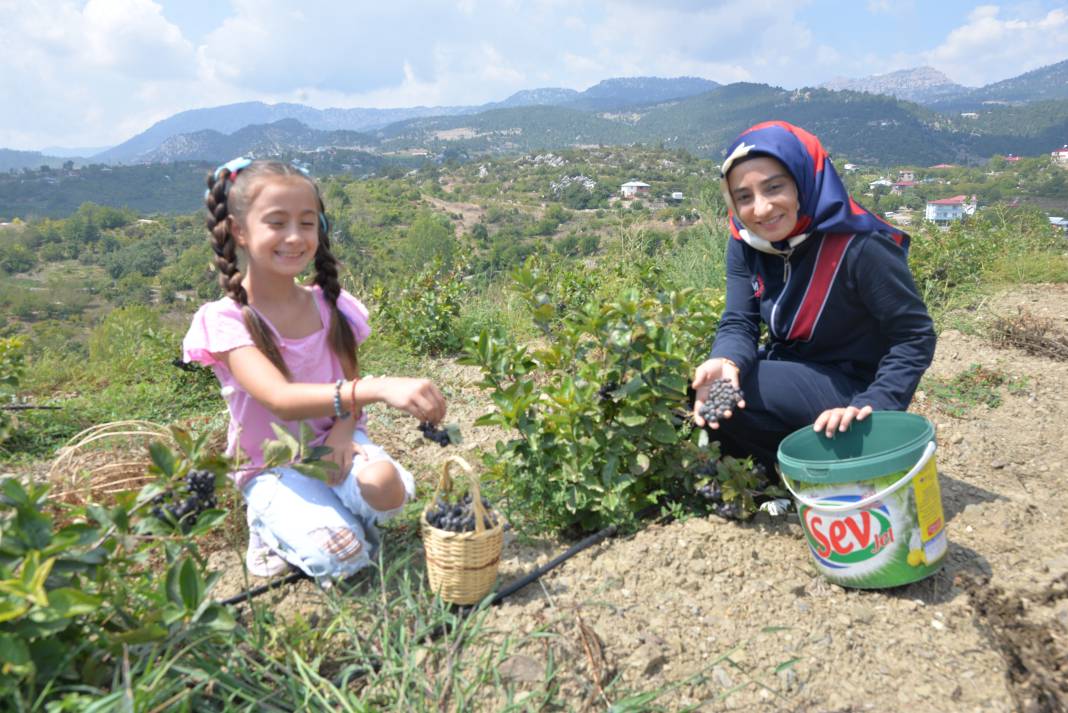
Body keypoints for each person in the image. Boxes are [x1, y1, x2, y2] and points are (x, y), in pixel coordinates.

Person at [182, 157, 446, 581]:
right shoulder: (226, 320)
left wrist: (344, 430)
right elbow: (281, 401)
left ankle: (324, 513)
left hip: (330, 443)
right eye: (276, 222)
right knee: (344, 556)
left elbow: (347, 382)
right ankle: (268, 525)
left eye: (306, 223)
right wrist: (376, 388)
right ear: (239, 231)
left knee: (387, 488)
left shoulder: (329, 304)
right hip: (273, 463)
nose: (294, 237)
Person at [691, 121, 936, 476]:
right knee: (711, 396)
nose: (760, 209)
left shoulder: (860, 245)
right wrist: (726, 359)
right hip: (794, 370)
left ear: (804, 181)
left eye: (774, 188)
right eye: (744, 196)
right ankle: (771, 477)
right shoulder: (747, 242)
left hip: (854, 387)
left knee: (746, 396)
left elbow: (914, 336)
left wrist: (875, 403)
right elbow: (739, 319)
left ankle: (819, 465)